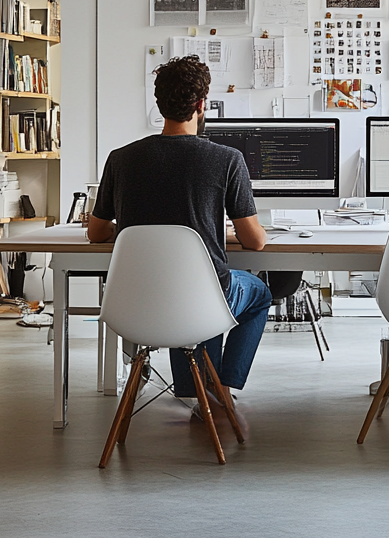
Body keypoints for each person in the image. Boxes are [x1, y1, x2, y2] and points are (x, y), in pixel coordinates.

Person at [87, 56, 271, 411]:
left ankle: (198, 386)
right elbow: (256, 242)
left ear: (159, 105)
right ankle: (221, 386)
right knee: (256, 293)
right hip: (200, 302)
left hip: (136, 302)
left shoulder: (120, 159)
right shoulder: (227, 159)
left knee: (193, 289)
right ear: (201, 105)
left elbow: (96, 233)